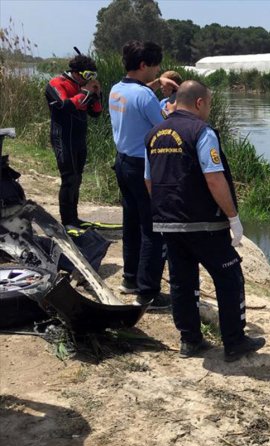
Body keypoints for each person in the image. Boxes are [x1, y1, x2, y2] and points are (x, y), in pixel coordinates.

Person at [144, 80, 265, 361]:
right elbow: (213, 177)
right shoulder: (201, 131)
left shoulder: (154, 133)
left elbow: (149, 181)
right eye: (208, 104)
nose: (209, 110)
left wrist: (164, 212)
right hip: (204, 223)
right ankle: (235, 341)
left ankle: (190, 340)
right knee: (229, 275)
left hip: (168, 223)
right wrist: (233, 217)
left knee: (182, 281)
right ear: (199, 103)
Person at [108, 40, 178, 309]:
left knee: (131, 222)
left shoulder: (117, 89)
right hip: (142, 167)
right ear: (143, 65)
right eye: (155, 65)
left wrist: (156, 84)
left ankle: (130, 279)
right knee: (152, 229)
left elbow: (137, 98)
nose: (158, 70)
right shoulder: (146, 97)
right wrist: (173, 107)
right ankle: (148, 291)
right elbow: (164, 127)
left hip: (123, 162)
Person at [45, 51, 102, 232]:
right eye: (87, 76)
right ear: (76, 73)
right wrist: (84, 92)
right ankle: (67, 221)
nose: (89, 79)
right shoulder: (56, 83)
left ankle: (74, 218)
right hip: (62, 137)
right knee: (69, 178)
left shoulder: (83, 86)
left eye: (92, 76)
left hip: (79, 139)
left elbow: (96, 113)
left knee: (77, 179)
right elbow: (63, 106)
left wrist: (97, 94)